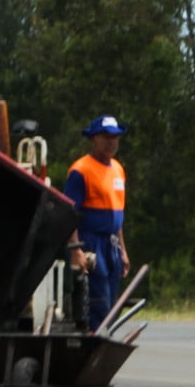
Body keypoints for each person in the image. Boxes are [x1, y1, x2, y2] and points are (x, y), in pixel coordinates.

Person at [62, 116, 129, 330]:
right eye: (106, 137)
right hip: (91, 242)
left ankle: (104, 338)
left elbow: (117, 215)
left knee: (111, 305)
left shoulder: (118, 169)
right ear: (93, 139)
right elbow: (70, 212)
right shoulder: (81, 171)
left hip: (111, 245)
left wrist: (123, 251)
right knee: (97, 304)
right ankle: (94, 342)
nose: (111, 142)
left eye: (115, 137)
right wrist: (75, 249)